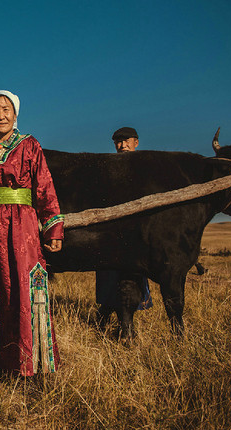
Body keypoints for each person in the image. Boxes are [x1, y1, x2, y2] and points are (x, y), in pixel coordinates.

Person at [0, 90, 63, 376]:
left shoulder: (29, 145)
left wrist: (53, 226)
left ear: (15, 114)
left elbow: (44, 186)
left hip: (21, 225)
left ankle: (28, 364)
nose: (1, 115)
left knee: (22, 286)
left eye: (6, 109)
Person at [94, 127, 153, 326]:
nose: (122, 145)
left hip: (136, 232)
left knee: (134, 276)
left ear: (136, 142)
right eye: (118, 142)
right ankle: (104, 315)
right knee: (109, 276)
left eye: (126, 141)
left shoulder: (145, 168)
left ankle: (122, 320)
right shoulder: (108, 168)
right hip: (110, 232)